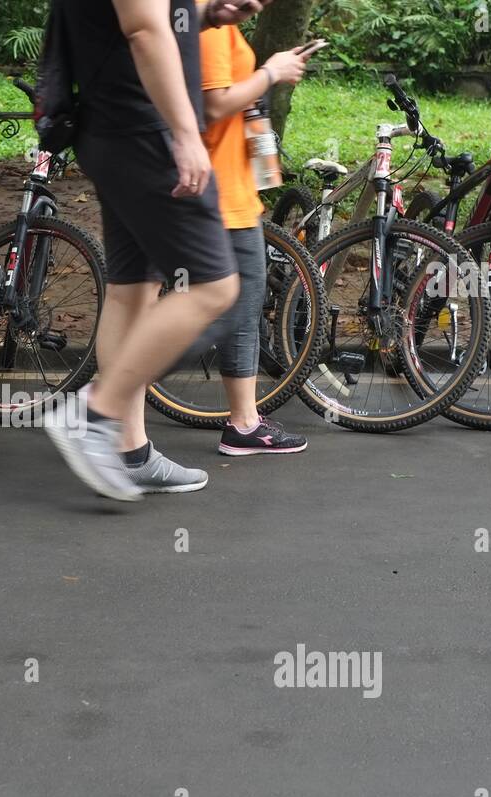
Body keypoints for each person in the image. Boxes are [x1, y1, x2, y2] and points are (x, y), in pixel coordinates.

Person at [44, 0, 265, 502]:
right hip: (145, 132)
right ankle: (94, 414)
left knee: (132, 288)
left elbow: (152, 16)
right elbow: (143, 29)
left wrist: (208, 14)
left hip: (115, 129)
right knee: (215, 288)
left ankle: (129, 452)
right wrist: (186, 135)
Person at [194, 18, 313, 455]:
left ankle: (244, 422)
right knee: (225, 307)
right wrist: (270, 73)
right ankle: (111, 401)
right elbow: (212, 104)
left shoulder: (223, 26)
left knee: (241, 307)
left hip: (234, 190)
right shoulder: (206, 26)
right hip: (215, 192)